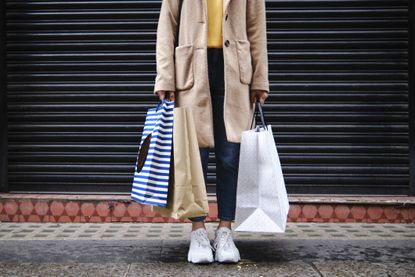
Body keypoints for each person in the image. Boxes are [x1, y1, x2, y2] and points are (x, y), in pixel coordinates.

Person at [154, 0, 269, 264]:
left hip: (235, 67)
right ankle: (198, 231)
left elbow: (256, 26)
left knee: (231, 155)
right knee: (195, 156)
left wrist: (260, 78)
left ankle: (225, 230)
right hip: (191, 66)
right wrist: (165, 76)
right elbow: (167, 23)